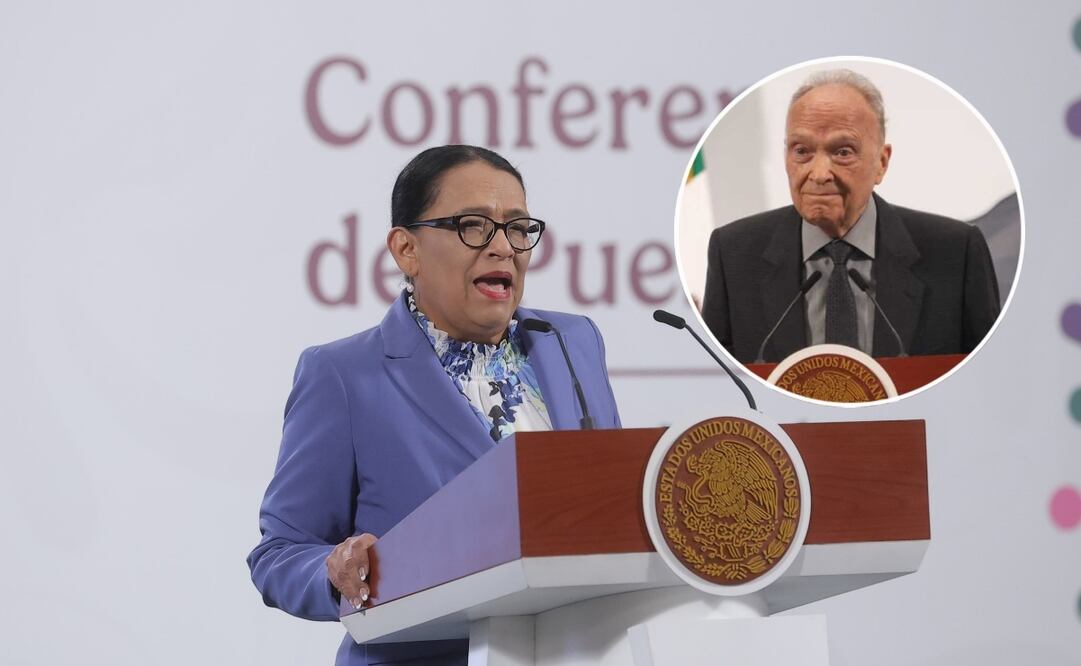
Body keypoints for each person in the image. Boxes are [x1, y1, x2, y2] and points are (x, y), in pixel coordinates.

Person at [247, 145, 621, 665]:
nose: (503, 248)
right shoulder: (344, 376)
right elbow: (278, 553)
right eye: (474, 226)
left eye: (517, 228)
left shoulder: (571, 342)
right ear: (406, 249)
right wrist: (335, 571)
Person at [701, 69, 1001, 364]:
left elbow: (987, 378)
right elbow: (717, 381)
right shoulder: (734, 254)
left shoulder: (955, 252)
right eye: (802, 151)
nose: (818, 174)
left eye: (843, 152)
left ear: (881, 163)